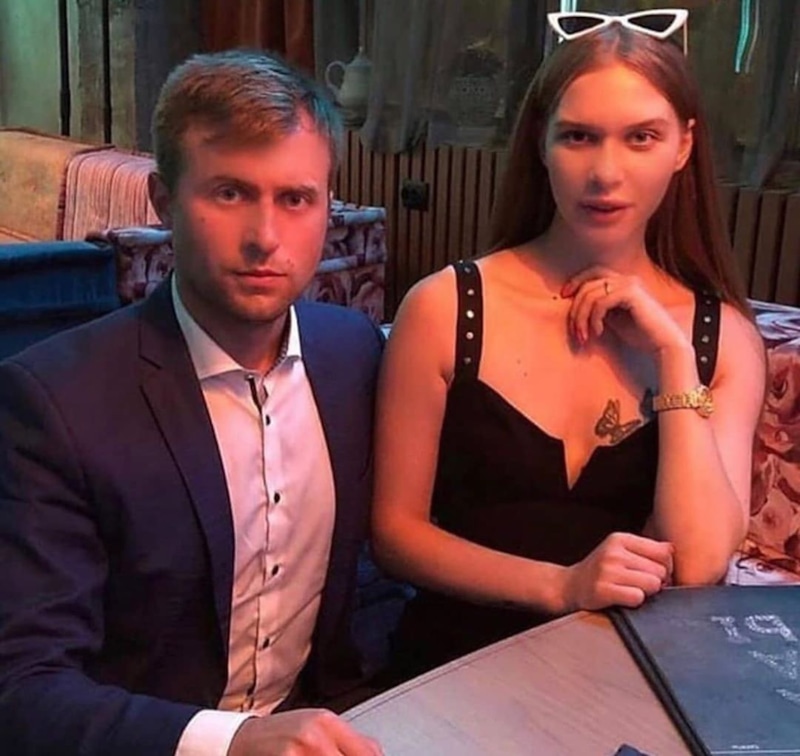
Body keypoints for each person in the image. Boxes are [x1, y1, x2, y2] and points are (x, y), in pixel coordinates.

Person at [0, 50, 384, 756]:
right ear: (163, 201)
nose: (265, 237)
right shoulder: (51, 402)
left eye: (296, 199)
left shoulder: (353, 353)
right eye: (230, 193)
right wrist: (232, 742)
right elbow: (23, 689)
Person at [372, 9, 766, 678]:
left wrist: (674, 359)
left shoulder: (719, 337)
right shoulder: (445, 307)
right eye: (579, 136)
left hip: (630, 678)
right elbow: (395, 535)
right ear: (540, 142)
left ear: (683, 146)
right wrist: (561, 586)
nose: (606, 172)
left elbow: (698, 563)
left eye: (641, 137)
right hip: (453, 669)